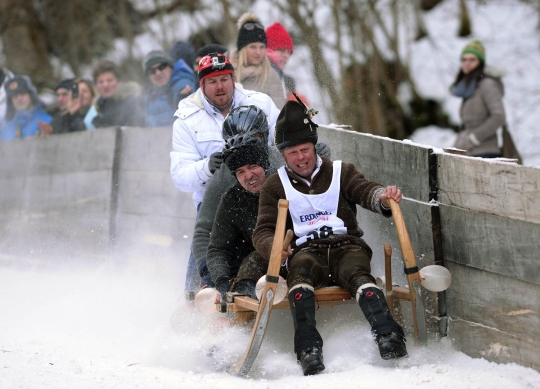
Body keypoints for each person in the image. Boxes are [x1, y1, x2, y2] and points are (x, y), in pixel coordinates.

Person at [252, 98, 407, 376]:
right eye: (293, 153)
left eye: (305, 149)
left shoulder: (339, 171)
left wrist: (383, 198)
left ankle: (388, 334)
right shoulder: (274, 185)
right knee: (300, 274)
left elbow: (365, 190)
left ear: (314, 147)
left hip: (346, 246)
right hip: (305, 252)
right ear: (283, 156)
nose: (301, 158)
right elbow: (263, 229)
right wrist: (275, 249)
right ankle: (308, 349)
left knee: (357, 272)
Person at [170, 52, 280, 300]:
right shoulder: (187, 118)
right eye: (212, 81)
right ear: (202, 85)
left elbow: (282, 143)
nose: (219, 86)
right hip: (215, 197)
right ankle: (198, 292)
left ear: (233, 78)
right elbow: (179, 175)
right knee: (208, 241)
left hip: (265, 189)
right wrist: (208, 167)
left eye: (224, 79)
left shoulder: (260, 103)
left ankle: (260, 287)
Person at [206, 134, 282, 299]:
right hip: (255, 266)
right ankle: (244, 310)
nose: (249, 176)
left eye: (252, 166)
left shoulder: (284, 185)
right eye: (241, 172)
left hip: (291, 254)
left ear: (264, 165)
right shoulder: (233, 199)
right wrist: (222, 281)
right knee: (248, 262)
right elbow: (218, 249)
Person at [451, 39, 506, 158]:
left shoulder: (487, 84)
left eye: (472, 60)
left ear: (480, 62)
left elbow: (499, 116)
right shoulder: (471, 86)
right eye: (464, 59)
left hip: (485, 152)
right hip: (469, 151)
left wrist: (474, 138)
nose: (467, 63)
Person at [228, 13, 288, 109]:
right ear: (242, 48)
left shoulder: (271, 75)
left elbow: (280, 114)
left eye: (262, 47)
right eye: (253, 47)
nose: (258, 52)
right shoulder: (225, 73)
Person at [142, 50, 196, 127]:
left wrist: (183, 100)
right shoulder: (149, 94)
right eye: (152, 71)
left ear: (171, 67)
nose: (158, 73)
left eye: (161, 67)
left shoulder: (181, 85)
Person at [85, 60, 143, 129]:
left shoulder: (131, 100)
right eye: (101, 82)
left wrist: (103, 122)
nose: (105, 85)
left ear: (120, 82)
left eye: (109, 80)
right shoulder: (97, 107)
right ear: (96, 86)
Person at [1, 75, 52, 140]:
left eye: (22, 93)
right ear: (10, 101)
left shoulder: (48, 121)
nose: (19, 98)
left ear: (31, 95)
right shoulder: (5, 128)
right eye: (15, 96)